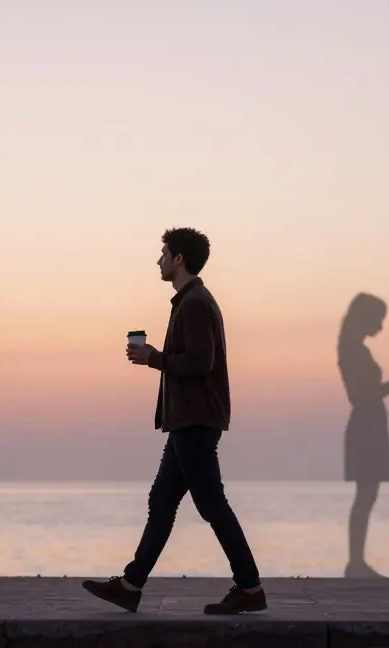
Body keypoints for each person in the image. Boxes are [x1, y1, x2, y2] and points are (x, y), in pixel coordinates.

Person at [82, 227, 266, 615]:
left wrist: (155, 358)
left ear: (179, 259)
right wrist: (158, 360)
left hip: (195, 420)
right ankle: (130, 586)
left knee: (212, 504)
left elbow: (202, 363)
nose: (159, 260)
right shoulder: (188, 301)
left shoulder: (196, 303)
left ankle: (249, 587)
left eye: (164, 253)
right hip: (186, 420)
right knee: (162, 500)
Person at [338, 293, 389, 578]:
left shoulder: (355, 349)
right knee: (365, 495)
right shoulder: (352, 350)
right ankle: (355, 562)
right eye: (379, 319)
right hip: (365, 427)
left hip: (370, 425)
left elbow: (366, 393)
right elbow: (359, 395)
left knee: (367, 495)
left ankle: (357, 561)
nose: (381, 326)